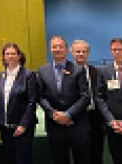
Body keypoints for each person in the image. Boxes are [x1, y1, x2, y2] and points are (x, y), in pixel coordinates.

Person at [37, 36, 90, 164]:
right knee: (59, 159)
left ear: (66, 50)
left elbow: (85, 96)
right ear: (50, 49)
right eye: (54, 47)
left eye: (60, 46)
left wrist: (68, 115)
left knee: (81, 160)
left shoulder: (78, 70)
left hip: (76, 124)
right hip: (54, 126)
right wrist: (53, 113)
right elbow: (40, 96)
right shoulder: (42, 71)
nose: (57, 49)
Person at [0, 43, 37, 164]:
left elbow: (32, 101)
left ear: (19, 56)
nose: (10, 56)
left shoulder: (29, 75)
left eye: (13, 53)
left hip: (23, 127)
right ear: (3, 57)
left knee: (23, 159)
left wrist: (23, 125)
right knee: (9, 159)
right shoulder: (1, 75)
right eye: (7, 54)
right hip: (5, 127)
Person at [71, 39, 105, 164]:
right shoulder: (66, 72)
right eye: (78, 51)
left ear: (88, 53)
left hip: (95, 116)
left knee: (97, 152)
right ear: (72, 53)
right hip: (76, 117)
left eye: (84, 51)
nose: (81, 54)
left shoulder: (96, 72)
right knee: (80, 155)